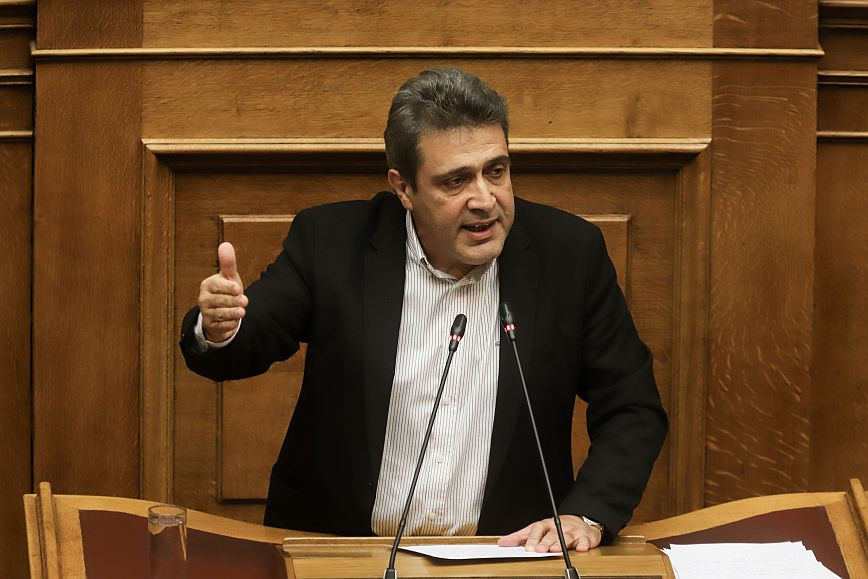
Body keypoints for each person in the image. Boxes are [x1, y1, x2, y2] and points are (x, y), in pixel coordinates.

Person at [180, 66, 667, 553]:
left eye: (496, 171)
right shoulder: (332, 243)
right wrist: (220, 327)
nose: (485, 200)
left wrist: (587, 513)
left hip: (507, 556)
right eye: (456, 181)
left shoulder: (569, 255)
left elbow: (631, 406)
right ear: (404, 189)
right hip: (342, 552)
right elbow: (251, 337)